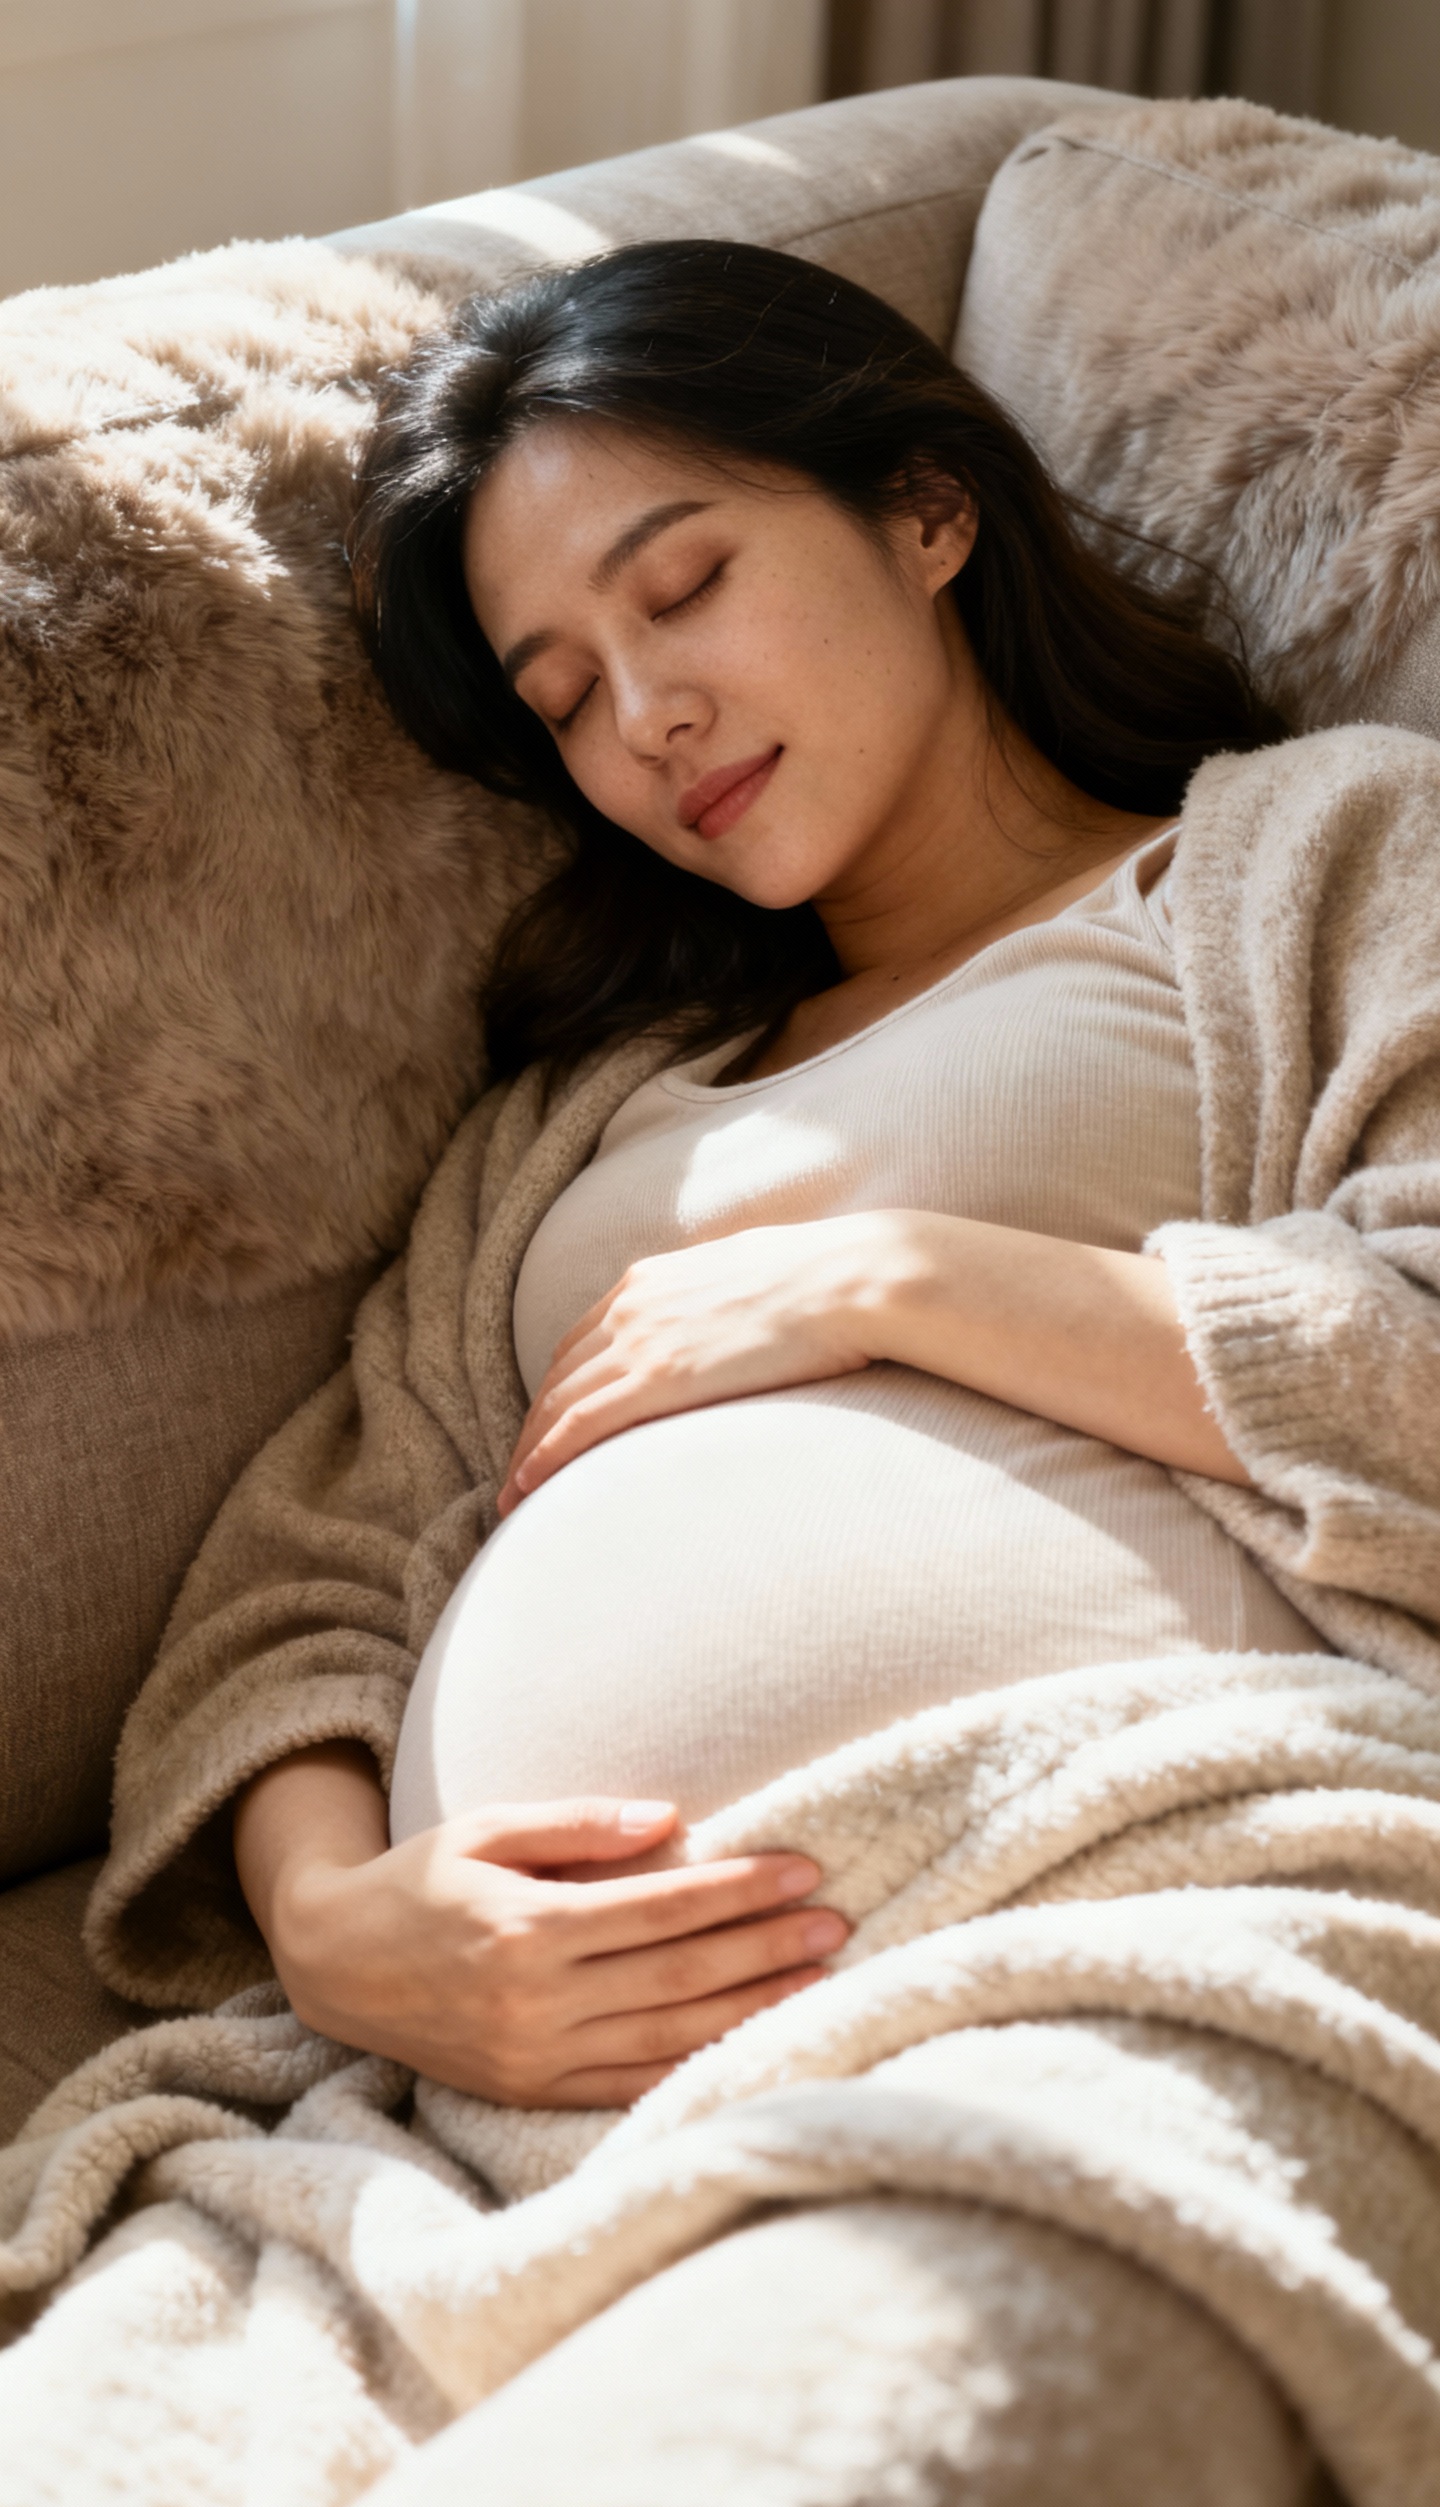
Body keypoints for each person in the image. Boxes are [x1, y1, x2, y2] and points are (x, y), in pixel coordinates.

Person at [233, 238, 1321, 2115]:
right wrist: (336, 1926)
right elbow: (303, 1584)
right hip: (540, 2101)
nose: (645, 716)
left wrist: (888, 1279)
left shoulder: (1294, 864)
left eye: (686, 587)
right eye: (565, 696)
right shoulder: (583, 1119)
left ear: (926, 512)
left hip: (1120, 1917)